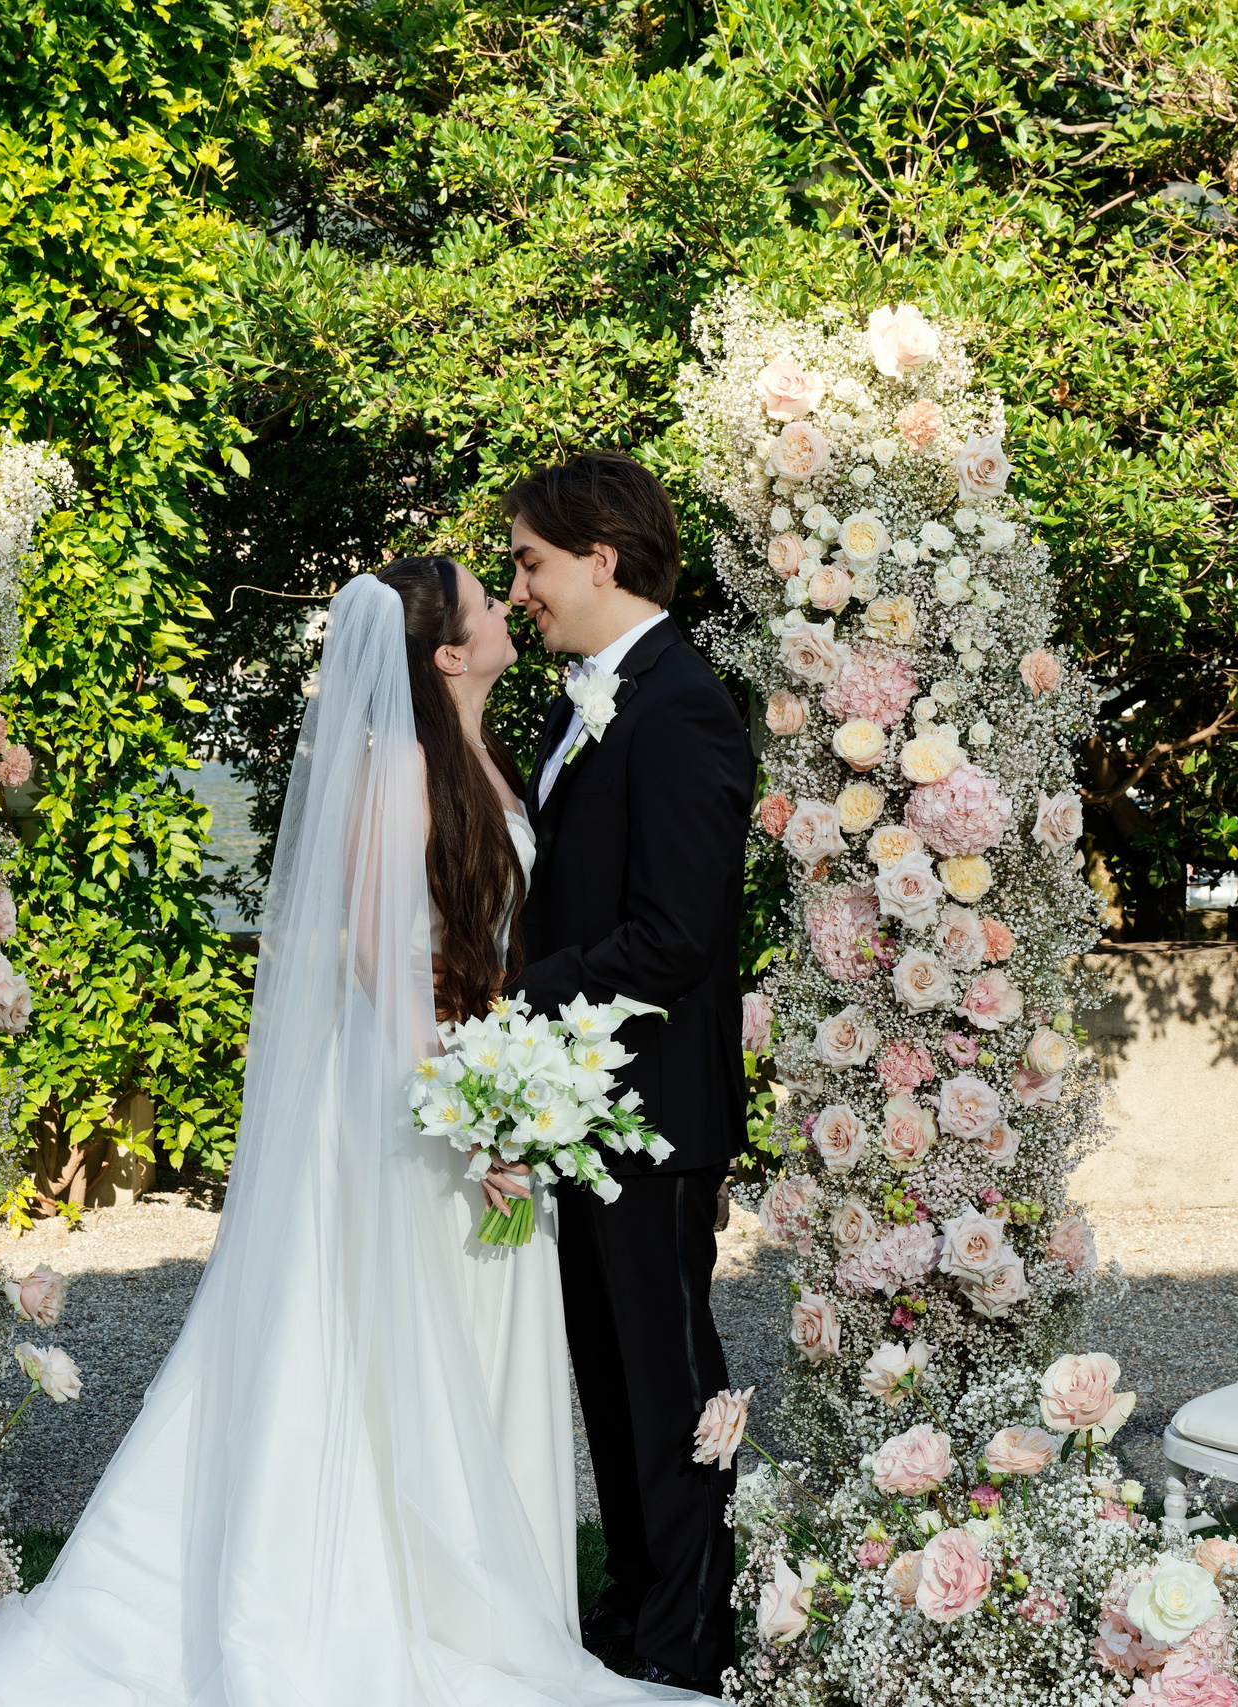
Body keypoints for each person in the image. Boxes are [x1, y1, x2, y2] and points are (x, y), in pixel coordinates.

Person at [0, 561, 698, 1705]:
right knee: (355, 1344)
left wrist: (518, 1093)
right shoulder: (394, 773)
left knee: (464, 1345)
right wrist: (482, 1117)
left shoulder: (491, 759)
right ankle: (352, 1598)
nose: (505, 609)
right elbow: (389, 971)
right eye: (487, 601)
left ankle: (475, 1595)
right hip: (416, 1105)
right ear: (445, 652)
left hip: (485, 1094)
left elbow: (495, 956)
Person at [505, 452, 755, 1696]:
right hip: (585, 1103)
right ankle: (641, 1607)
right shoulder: (585, 700)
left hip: (657, 1109)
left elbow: (677, 934)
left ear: (601, 557)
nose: (518, 589)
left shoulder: (682, 707)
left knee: (667, 1375)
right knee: (609, 1374)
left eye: (531, 562)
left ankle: (688, 1644)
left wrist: (512, 1000)